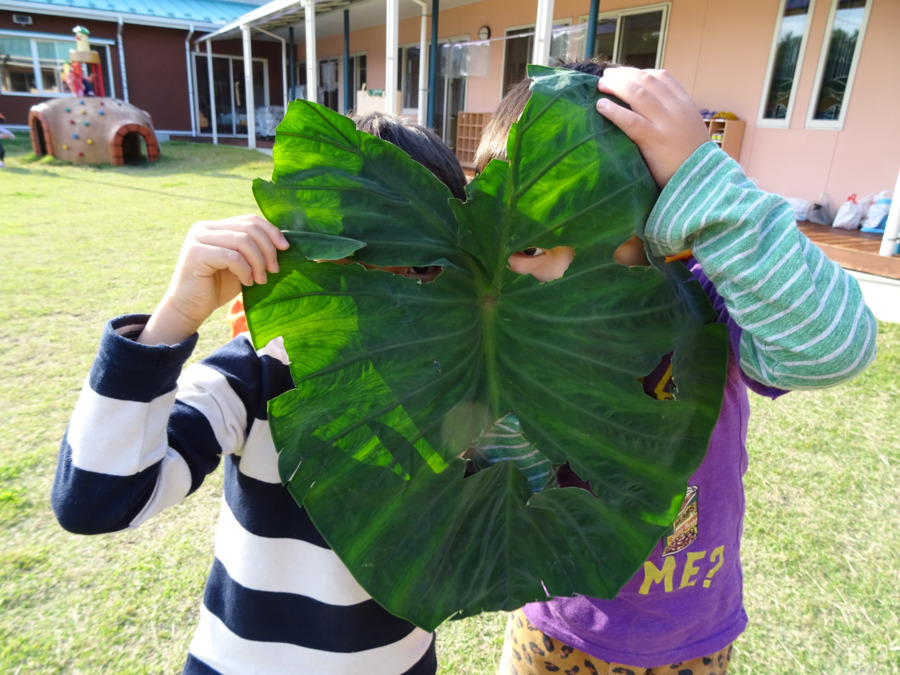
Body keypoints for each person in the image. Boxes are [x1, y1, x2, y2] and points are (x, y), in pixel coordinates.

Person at [473, 61, 878, 674]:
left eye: (598, 226)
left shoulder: (706, 296)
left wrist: (705, 183)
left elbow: (833, 346)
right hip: (555, 627)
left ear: (660, 216)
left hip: (690, 635)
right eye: (529, 245)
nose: (559, 272)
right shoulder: (503, 318)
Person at [51, 112, 467, 674]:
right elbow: (96, 500)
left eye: (419, 267)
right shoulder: (258, 373)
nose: (386, 294)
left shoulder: (471, 382)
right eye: (351, 260)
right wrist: (174, 317)